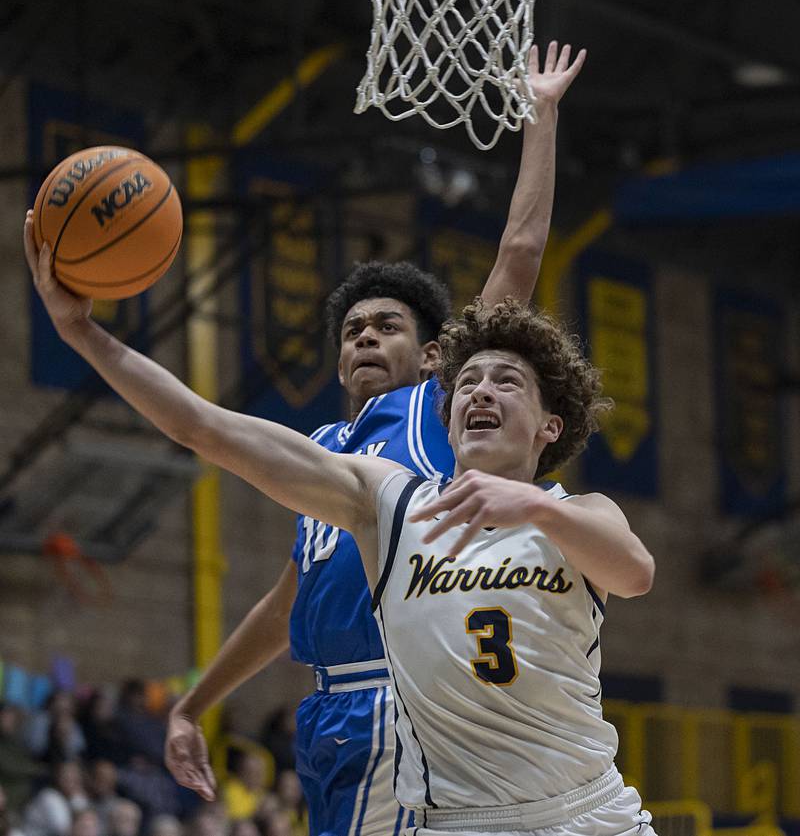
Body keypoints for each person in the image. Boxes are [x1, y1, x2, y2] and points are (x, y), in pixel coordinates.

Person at [26, 200, 657, 836]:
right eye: (468, 382)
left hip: (587, 813)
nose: (481, 391)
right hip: (453, 816)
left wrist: (534, 506)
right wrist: (81, 332)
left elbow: (635, 572)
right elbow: (203, 426)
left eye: (507, 382)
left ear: (550, 425)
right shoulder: (387, 502)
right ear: (446, 414)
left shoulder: (578, 511)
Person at [161, 42, 587, 836]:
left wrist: (541, 116)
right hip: (330, 711)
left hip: (402, 696)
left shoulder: (435, 409)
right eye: (353, 329)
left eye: (387, 325)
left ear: (431, 355)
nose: (364, 335)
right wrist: (194, 702)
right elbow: (287, 605)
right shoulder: (324, 446)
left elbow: (520, 257)